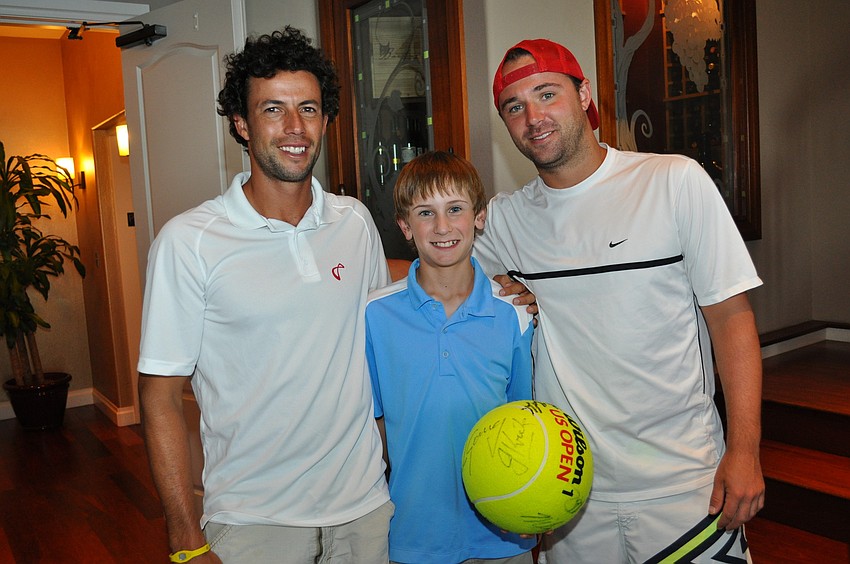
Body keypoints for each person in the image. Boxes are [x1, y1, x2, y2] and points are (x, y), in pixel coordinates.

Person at [473, 38, 765, 563]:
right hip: (568, 491)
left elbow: (731, 318)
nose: (533, 117)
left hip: (685, 482)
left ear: (584, 94)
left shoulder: (671, 181)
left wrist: (745, 451)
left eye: (546, 94)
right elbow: (432, 269)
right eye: (514, 107)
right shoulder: (502, 221)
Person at [137, 27, 394, 563]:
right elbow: (160, 395)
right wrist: (184, 534)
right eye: (273, 109)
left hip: (365, 512)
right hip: (254, 522)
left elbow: (377, 349)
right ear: (241, 124)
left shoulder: (354, 221)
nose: (295, 127)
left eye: (308, 108)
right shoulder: (190, 242)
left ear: (325, 120)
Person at [365, 151, 537, 564]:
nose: (442, 227)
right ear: (406, 227)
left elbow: (526, 417)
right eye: (426, 213)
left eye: (455, 209)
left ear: (478, 217)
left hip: (504, 530)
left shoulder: (515, 312)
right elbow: (375, 426)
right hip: (414, 532)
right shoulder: (375, 314)